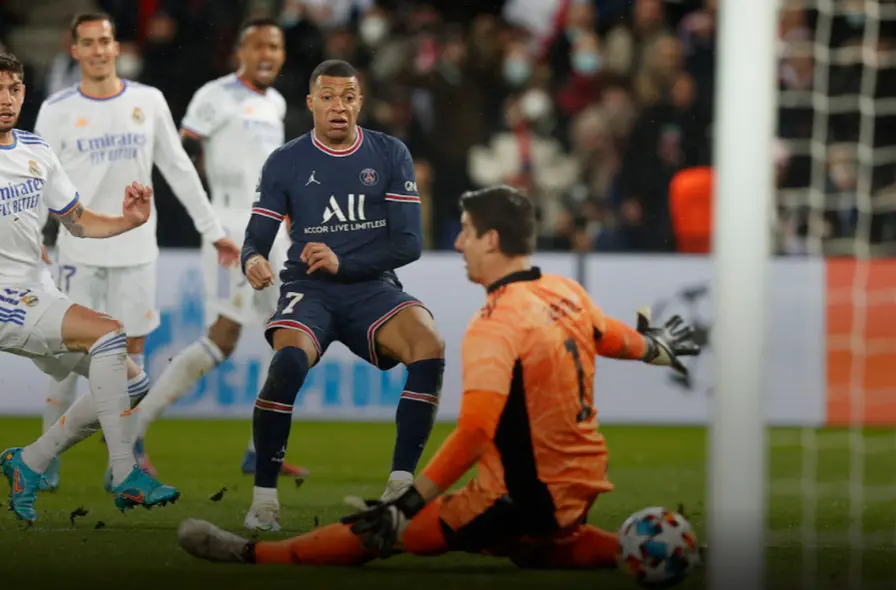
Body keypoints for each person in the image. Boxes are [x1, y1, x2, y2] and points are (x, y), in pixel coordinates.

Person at [176, 185, 701, 566]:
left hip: (520, 497)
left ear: (492, 240)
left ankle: (253, 555)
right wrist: (654, 348)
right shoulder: (564, 290)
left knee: (382, 534)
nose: (458, 244)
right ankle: (660, 553)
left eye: (467, 233)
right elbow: (608, 334)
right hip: (580, 483)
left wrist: (408, 503)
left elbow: (473, 433)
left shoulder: (496, 324)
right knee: (548, 547)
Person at [0, 51, 181, 523]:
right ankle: (124, 475)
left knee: (133, 380)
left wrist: (129, 220)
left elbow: (76, 222)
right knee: (109, 333)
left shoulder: (36, 150)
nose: (6, 98)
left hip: (39, 292)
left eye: (14, 88)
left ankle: (30, 462)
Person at [32, 12, 239, 491]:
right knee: (67, 360)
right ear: (75, 50)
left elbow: (179, 169)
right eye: (90, 43)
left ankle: (120, 466)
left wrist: (213, 230)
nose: (100, 50)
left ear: (117, 47)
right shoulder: (57, 109)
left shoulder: (148, 100)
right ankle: (44, 460)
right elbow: (36, 180)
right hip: (77, 252)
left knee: (133, 363)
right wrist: (35, 239)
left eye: (106, 41)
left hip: (137, 252)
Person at [238, 59, 446, 532]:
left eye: (348, 97)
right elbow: (257, 237)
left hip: (371, 287)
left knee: (429, 345)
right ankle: (265, 501)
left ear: (360, 103)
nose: (339, 107)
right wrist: (252, 259)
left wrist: (344, 262)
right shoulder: (285, 161)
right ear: (310, 103)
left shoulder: (389, 153)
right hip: (309, 289)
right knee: (288, 364)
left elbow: (408, 244)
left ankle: (399, 484)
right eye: (328, 97)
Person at [131, 17, 307, 479]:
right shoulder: (215, 95)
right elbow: (180, 153)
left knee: (291, 336)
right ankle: (132, 431)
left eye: (275, 46)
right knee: (223, 337)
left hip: (275, 233)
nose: (268, 54)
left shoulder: (275, 101)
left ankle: (261, 448)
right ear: (241, 52)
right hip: (233, 227)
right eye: (258, 46)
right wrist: (207, 218)